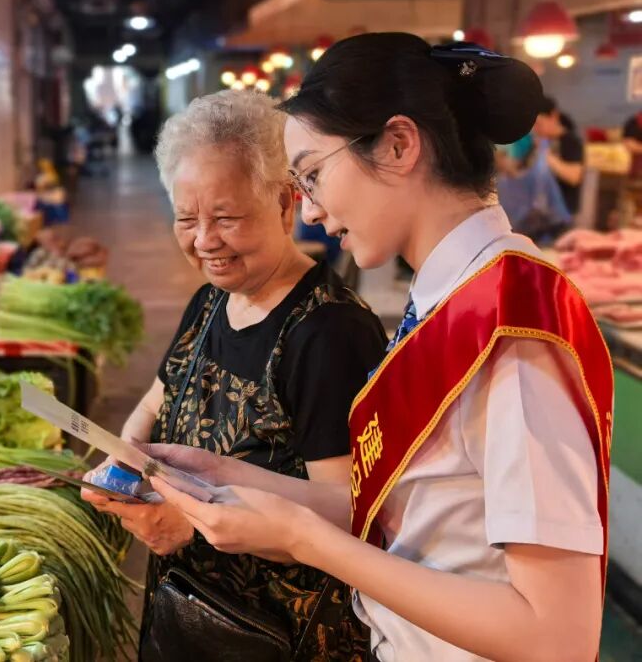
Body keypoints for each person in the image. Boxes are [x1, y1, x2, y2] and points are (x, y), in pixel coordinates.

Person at [147, 34, 613, 662]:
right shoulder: (449, 298)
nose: (308, 213)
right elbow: (406, 514)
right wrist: (226, 476)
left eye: (311, 175)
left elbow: (557, 638)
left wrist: (303, 538)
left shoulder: (510, 327)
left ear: (398, 145)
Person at [82, 89, 388, 660]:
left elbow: (351, 513)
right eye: (186, 219)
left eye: (226, 218)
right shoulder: (210, 302)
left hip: (277, 631)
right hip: (189, 604)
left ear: (284, 202)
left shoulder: (328, 333)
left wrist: (190, 521)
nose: (204, 242)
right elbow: (157, 398)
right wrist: (123, 459)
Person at [533, 95, 585, 215]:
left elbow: (574, 176)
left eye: (538, 124)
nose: (535, 130)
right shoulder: (541, 142)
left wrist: (547, 157)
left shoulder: (571, 141)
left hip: (563, 213)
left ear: (553, 116)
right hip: (542, 212)